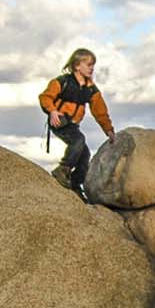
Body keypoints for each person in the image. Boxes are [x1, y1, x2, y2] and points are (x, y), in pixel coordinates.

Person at [39, 47, 114, 200]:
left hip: (73, 125)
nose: (92, 68)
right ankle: (63, 169)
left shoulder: (91, 89)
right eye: (88, 64)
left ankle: (74, 184)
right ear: (77, 65)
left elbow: (100, 111)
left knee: (84, 154)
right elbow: (45, 97)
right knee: (78, 140)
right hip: (59, 121)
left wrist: (109, 130)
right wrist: (52, 111)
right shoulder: (62, 82)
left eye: (93, 65)